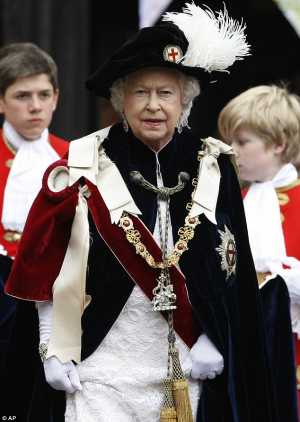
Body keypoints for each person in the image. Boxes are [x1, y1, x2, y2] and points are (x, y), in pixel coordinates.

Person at [4, 4, 280, 422]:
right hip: (100, 366)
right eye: (141, 92)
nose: (154, 106)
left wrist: (215, 337)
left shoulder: (214, 165)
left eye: (166, 93)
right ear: (120, 99)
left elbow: (232, 275)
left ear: (184, 99)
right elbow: (45, 267)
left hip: (191, 367)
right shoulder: (81, 164)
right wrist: (51, 348)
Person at [218, 84, 300, 421]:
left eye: (242, 142)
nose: (231, 150)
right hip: (240, 354)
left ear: (278, 144)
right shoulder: (228, 203)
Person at [0, 42, 69, 376]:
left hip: (55, 298)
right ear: (1, 101)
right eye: (22, 96)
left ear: (56, 97)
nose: (35, 107)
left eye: (44, 95)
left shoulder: (74, 157)